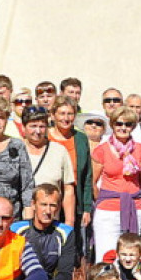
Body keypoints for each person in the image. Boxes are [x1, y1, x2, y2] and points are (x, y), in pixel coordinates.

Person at [91, 107, 141, 261]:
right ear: (112, 124)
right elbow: (93, 183)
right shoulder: (101, 150)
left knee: (131, 257)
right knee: (106, 256)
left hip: (133, 208)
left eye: (128, 124)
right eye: (119, 123)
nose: (123, 127)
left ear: (133, 126)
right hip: (108, 211)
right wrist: (104, 199)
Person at [48, 96, 94, 241]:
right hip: (49, 200)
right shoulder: (45, 136)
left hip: (75, 200)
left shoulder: (80, 138)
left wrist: (87, 208)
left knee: (72, 244)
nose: (66, 118)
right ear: (53, 115)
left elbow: (87, 175)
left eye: (70, 114)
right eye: (62, 113)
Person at [21, 106, 75, 225]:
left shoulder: (59, 151)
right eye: (33, 126)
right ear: (23, 127)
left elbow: (68, 189)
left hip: (50, 221)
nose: (38, 131)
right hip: (20, 221)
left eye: (42, 126)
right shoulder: (16, 149)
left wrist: (69, 222)